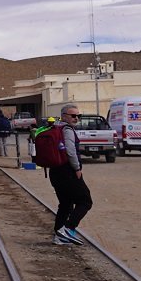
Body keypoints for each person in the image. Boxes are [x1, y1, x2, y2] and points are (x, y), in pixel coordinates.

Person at [48, 104, 92, 245]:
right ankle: (68, 229)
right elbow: (70, 151)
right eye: (73, 116)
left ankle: (59, 236)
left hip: (55, 171)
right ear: (64, 116)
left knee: (66, 204)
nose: (76, 118)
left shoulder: (55, 128)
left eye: (78, 116)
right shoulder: (67, 130)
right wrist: (77, 168)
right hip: (68, 171)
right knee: (85, 201)